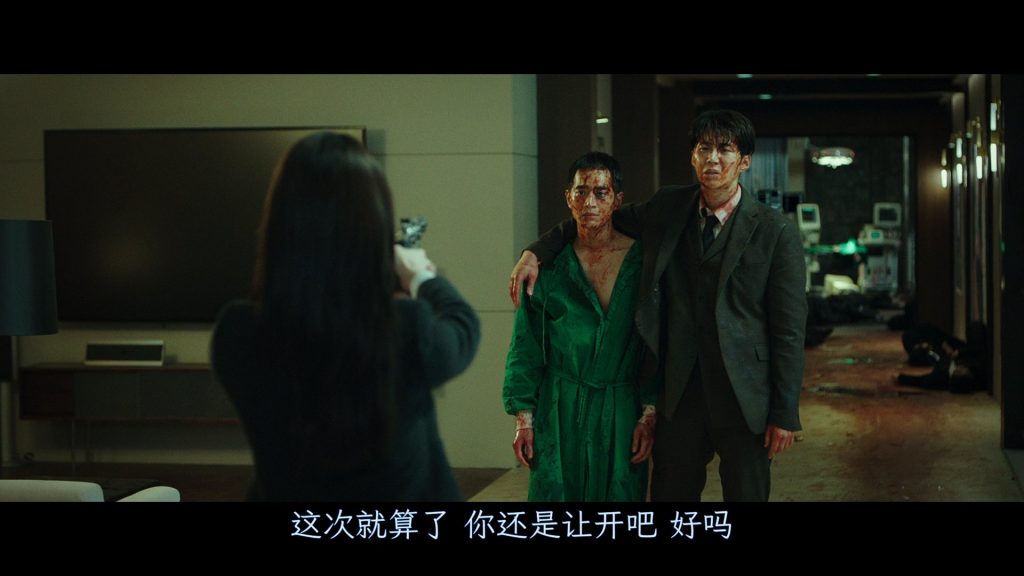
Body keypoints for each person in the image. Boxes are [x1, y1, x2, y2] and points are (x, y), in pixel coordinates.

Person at [509, 110, 807, 502]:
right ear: (692, 157)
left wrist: (784, 413)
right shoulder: (669, 207)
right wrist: (536, 251)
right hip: (678, 393)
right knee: (670, 495)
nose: (713, 158)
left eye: (725, 150)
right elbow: (597, 216)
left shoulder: (775, 231)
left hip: (745, 397)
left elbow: (788, 331)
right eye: (704, 148)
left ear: (745, 161)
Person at [211, 132, 480, 501]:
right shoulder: (406, 327)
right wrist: (421, 276)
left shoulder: (236, 332)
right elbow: (463, 326)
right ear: (374, 222)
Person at [503, 152, 655, 501]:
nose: (589, 203)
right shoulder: (548, 267)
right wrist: (524, 419)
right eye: (581, 192)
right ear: (568, 197)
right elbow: (525, 346)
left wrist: (649, 412)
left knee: (619, 499)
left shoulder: (642, 264)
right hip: (559, 407)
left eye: (601, 193)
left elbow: (657, 341)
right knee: (555, 497)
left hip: (621, 405)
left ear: (617, 200)